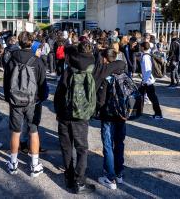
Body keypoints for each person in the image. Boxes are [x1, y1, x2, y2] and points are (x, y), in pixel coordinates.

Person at [54, 41, 96, 194]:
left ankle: (69, 176)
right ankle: (80, 181)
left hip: (65, 114)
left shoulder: (68, 70)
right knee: (82, 148)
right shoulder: (92, 68)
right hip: (82, 115)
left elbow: (59, 93)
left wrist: (58, 111)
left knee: (66, 146)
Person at [3, 31, 47, 177]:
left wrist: (8, 98)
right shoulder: (37, 60)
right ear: (31, 42)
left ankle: (13, 163)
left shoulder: (12, 59)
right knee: (33, 131)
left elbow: (7, 80)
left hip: (15, 101)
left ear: (19, 43)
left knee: (16, 131)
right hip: (33, 101)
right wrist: (42, 97)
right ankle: (34, 165)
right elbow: (42, 82)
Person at [93, 48, 127, 190]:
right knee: (119, 143)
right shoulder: (123, 70)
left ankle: (110, 177)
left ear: (106, 59)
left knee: (108, 145)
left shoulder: (105, 74)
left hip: (108, 114)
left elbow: (101, 99)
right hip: (122, 112)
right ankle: (119, 174)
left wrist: (95, 110)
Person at [140, 42, 163, 119]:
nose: (140, 48)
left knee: (153, 98)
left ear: (143, 48)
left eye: (141, 47)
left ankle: (158, 114)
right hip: (147, 80)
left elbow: (147, 70)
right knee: (140, 95)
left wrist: (144, 82)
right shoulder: (148, 54)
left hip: (147, 81)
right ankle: (138, 111)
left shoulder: (145, 57)